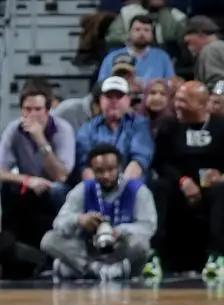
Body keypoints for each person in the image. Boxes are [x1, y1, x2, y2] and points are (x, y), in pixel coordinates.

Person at [150, 79, 224, 281]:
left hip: (212, 190)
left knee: (223, 190)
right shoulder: (169, 126)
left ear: (202, 104)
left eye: (184, 101)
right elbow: (161, 163)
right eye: (176, 99)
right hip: (179, 187)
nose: (177, 105)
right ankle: (154, 254)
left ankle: (217, 256)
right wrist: (183, 181)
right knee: (159, 186)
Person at [41, 144, 157, 282]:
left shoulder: (138, 191)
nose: (106, 175)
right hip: (89, 249)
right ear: (92, 170)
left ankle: (80, 270)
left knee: (141, 244)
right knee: (49, 239)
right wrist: (79, 219)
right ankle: (99, 270)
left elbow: (148, 226)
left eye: (111, 169)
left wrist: (121, 230)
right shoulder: (82, 189)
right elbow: (58, 223)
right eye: (100, 171)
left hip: (120, 248)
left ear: (120, 167)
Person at [0, 83, 74, 252]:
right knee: (8, 186)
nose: (32, 114)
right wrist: (27, 179)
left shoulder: (63, 129)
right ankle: (9, 246)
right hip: (29, 184)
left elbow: (61, 175)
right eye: (27, 109)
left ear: (47, 110)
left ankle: (54, 246)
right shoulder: (14, 129)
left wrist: (40, 139)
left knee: (56, 190)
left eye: (38, 109)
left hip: (56, 186)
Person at [74, 75, 154, 180]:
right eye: (109, 96)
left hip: (131, 185)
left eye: (119, 96)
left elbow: (139, 160)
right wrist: (100, 188)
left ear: (128, 100)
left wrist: (119, 187)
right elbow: (85, 165)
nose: (114, 101)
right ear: (101, 100)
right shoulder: (87, 129)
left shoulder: (140, 124)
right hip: (96, 184)